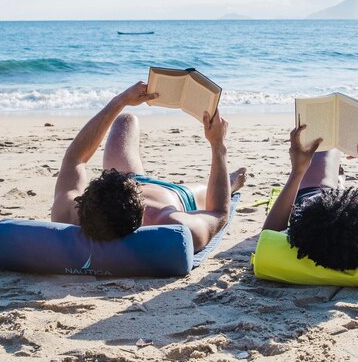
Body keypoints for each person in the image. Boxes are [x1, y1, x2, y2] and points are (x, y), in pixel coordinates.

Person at [51, 81, 246, 249]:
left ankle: (126, 167)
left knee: (125, 120)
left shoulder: (70, 211)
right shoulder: (170, 222)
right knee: (221, 187)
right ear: (142, 213)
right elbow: (218, 213)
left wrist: (122, 100)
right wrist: (218, 145)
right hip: (174, 195)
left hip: (123, 189)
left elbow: (75, 159)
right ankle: (231, 183)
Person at [262, 124, 358, 271]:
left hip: (316, 193)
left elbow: (266, 237)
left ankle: (337, 180)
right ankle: (339, 181)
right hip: (326, 200)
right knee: (331, 146)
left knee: (322, 146)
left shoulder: (307, 233)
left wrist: (297, 171)